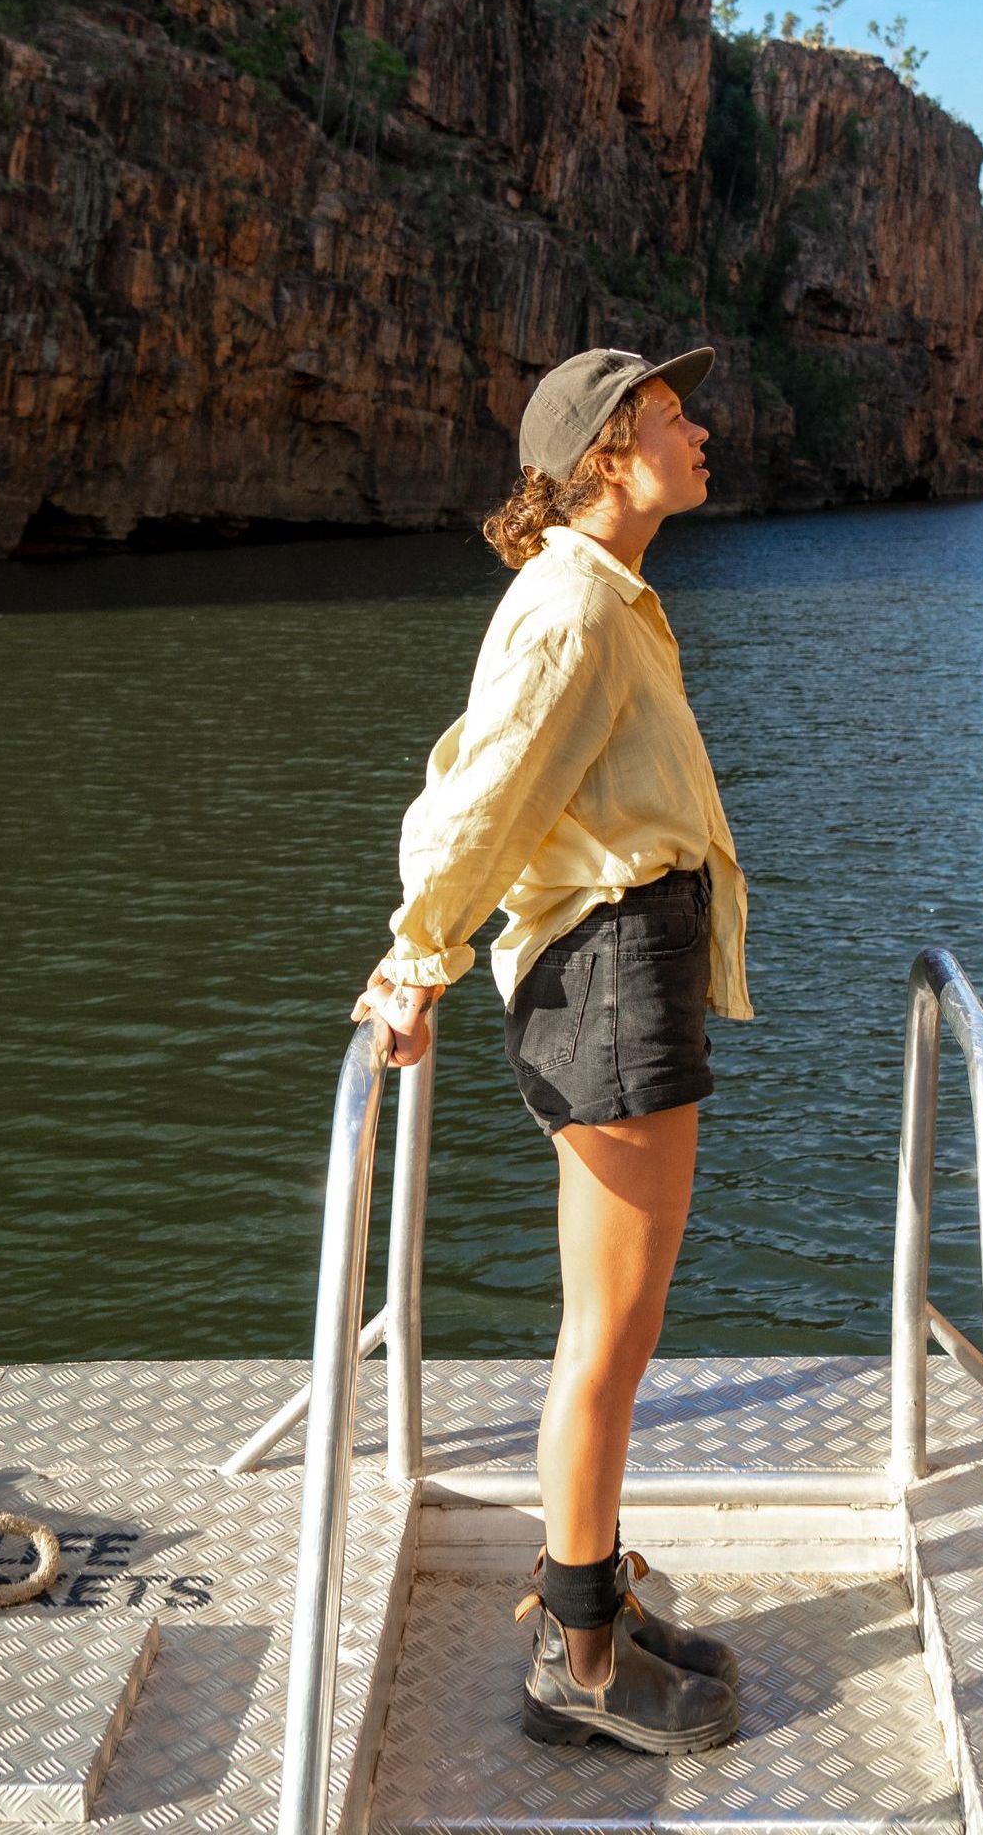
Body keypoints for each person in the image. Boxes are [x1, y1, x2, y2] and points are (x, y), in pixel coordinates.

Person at [351, 344, 753, 1755]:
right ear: (604, 459)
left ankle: (592, 1595)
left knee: (611, 1332)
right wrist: (416, 961)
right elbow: (483, 801)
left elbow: (478, 772)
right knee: (611, 1338)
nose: (700, 432)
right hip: (611, 981)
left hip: (618, 972)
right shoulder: (578, 604)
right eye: (670, 418)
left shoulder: (599, 594)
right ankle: (580, 1661)